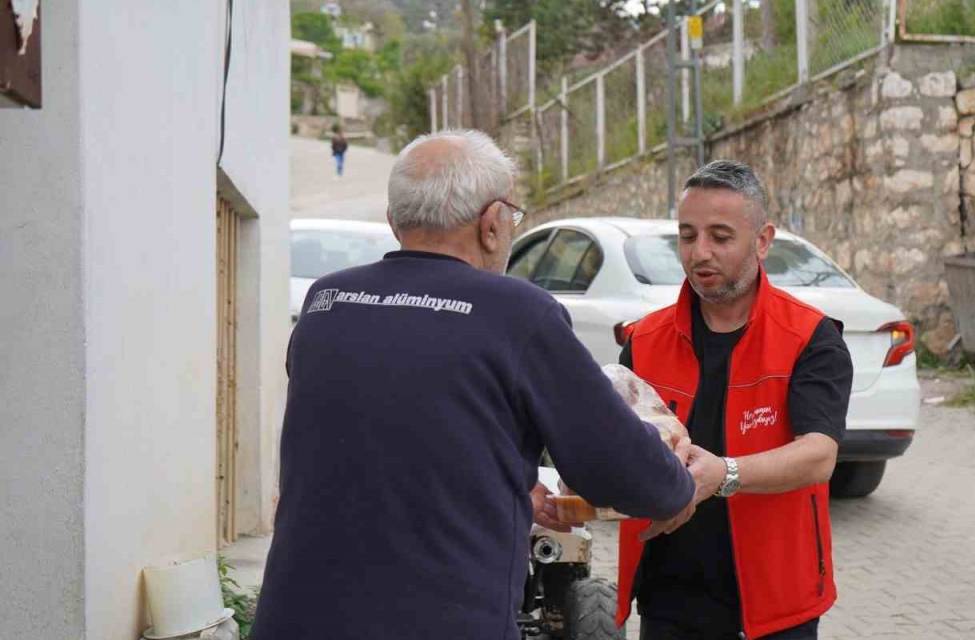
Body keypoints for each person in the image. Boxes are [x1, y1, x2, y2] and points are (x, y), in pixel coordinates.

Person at [251, 130, 720, 640]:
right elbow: (619, 469)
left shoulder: (325, 304)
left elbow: (393, 427)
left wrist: (513, 485)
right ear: (493, 224)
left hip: (294, 617)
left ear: (394, 222)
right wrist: (677, 486)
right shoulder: (518, 313)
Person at [615, 161, 854, 640]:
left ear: (763, 240)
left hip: (775, 605)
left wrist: (723, 474)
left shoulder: (809, 338)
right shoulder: (644, 341)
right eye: (687, 235)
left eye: (720, 237)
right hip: (668, 600)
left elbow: (818, 455)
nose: (700, 252)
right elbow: (620, 447)